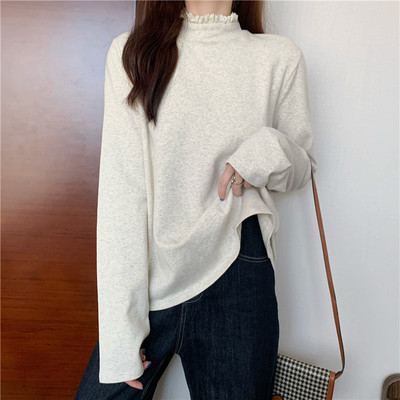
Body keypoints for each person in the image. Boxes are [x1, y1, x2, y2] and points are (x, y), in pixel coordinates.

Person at [74, 0, 317, 398]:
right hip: (151, 277)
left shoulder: (278, 56)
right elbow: (123, 196)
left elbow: (301, 166)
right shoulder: (132, 53)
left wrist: (262, 151)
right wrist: (120, 334)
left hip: (238, 266)